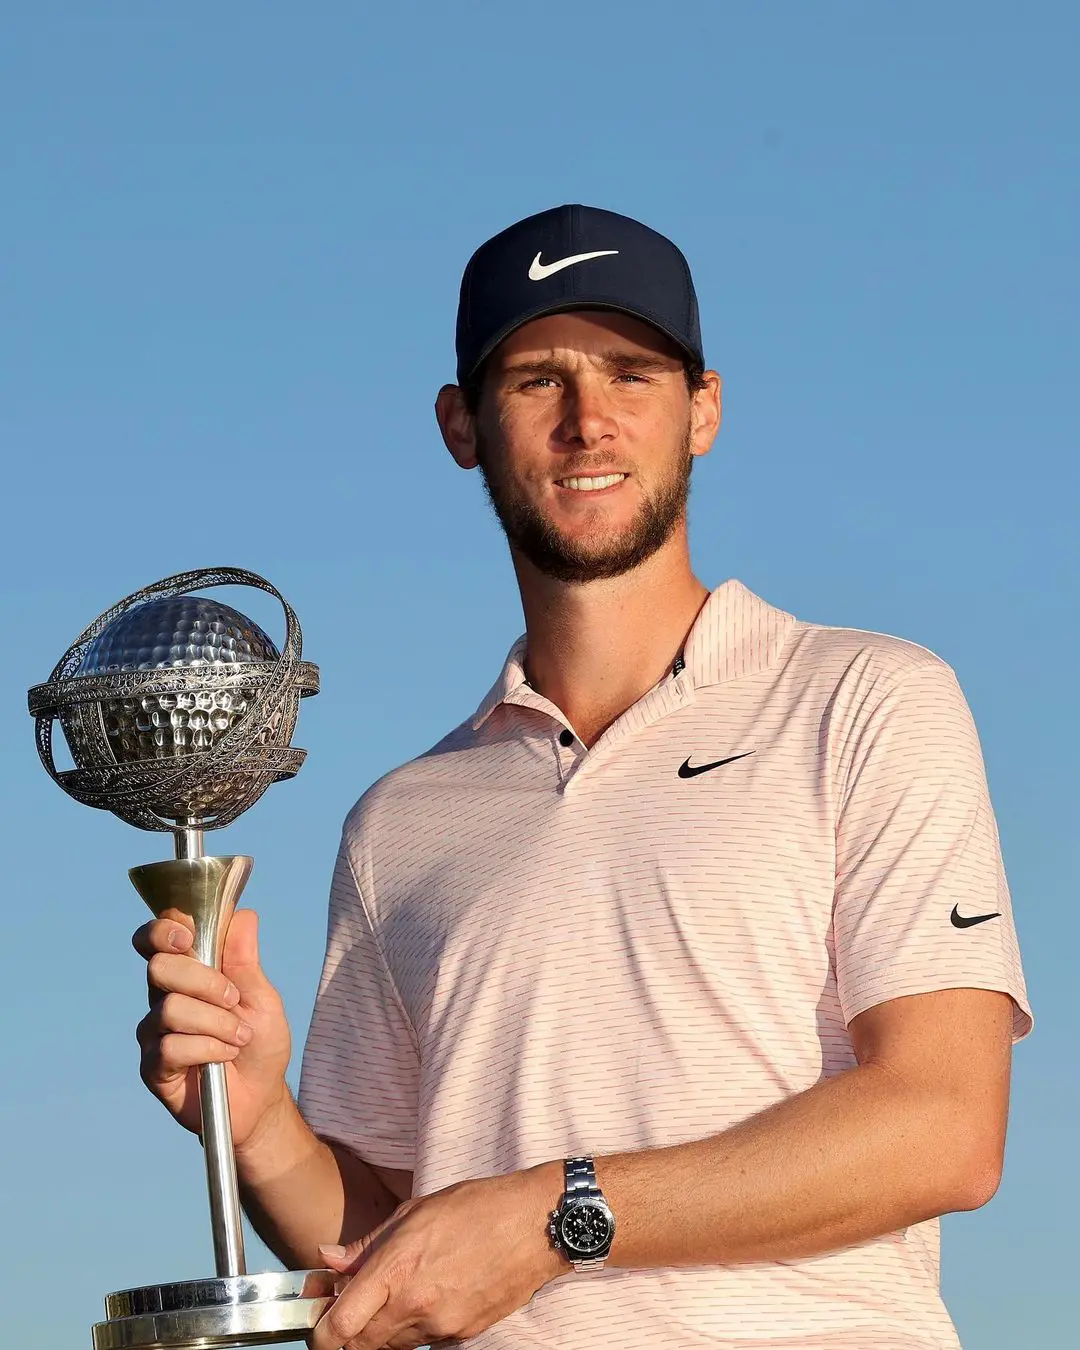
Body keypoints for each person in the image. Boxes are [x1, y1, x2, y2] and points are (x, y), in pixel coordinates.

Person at [133, 204, 1032, 1350]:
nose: (588, 421)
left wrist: (563, 1213)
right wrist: (261, 1123)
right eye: (535, 380)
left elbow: (945, 1127)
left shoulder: (867, 700)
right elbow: (389, 1250)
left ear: (703, 409)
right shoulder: (398, 824)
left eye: (632, 373)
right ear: (462, 424)